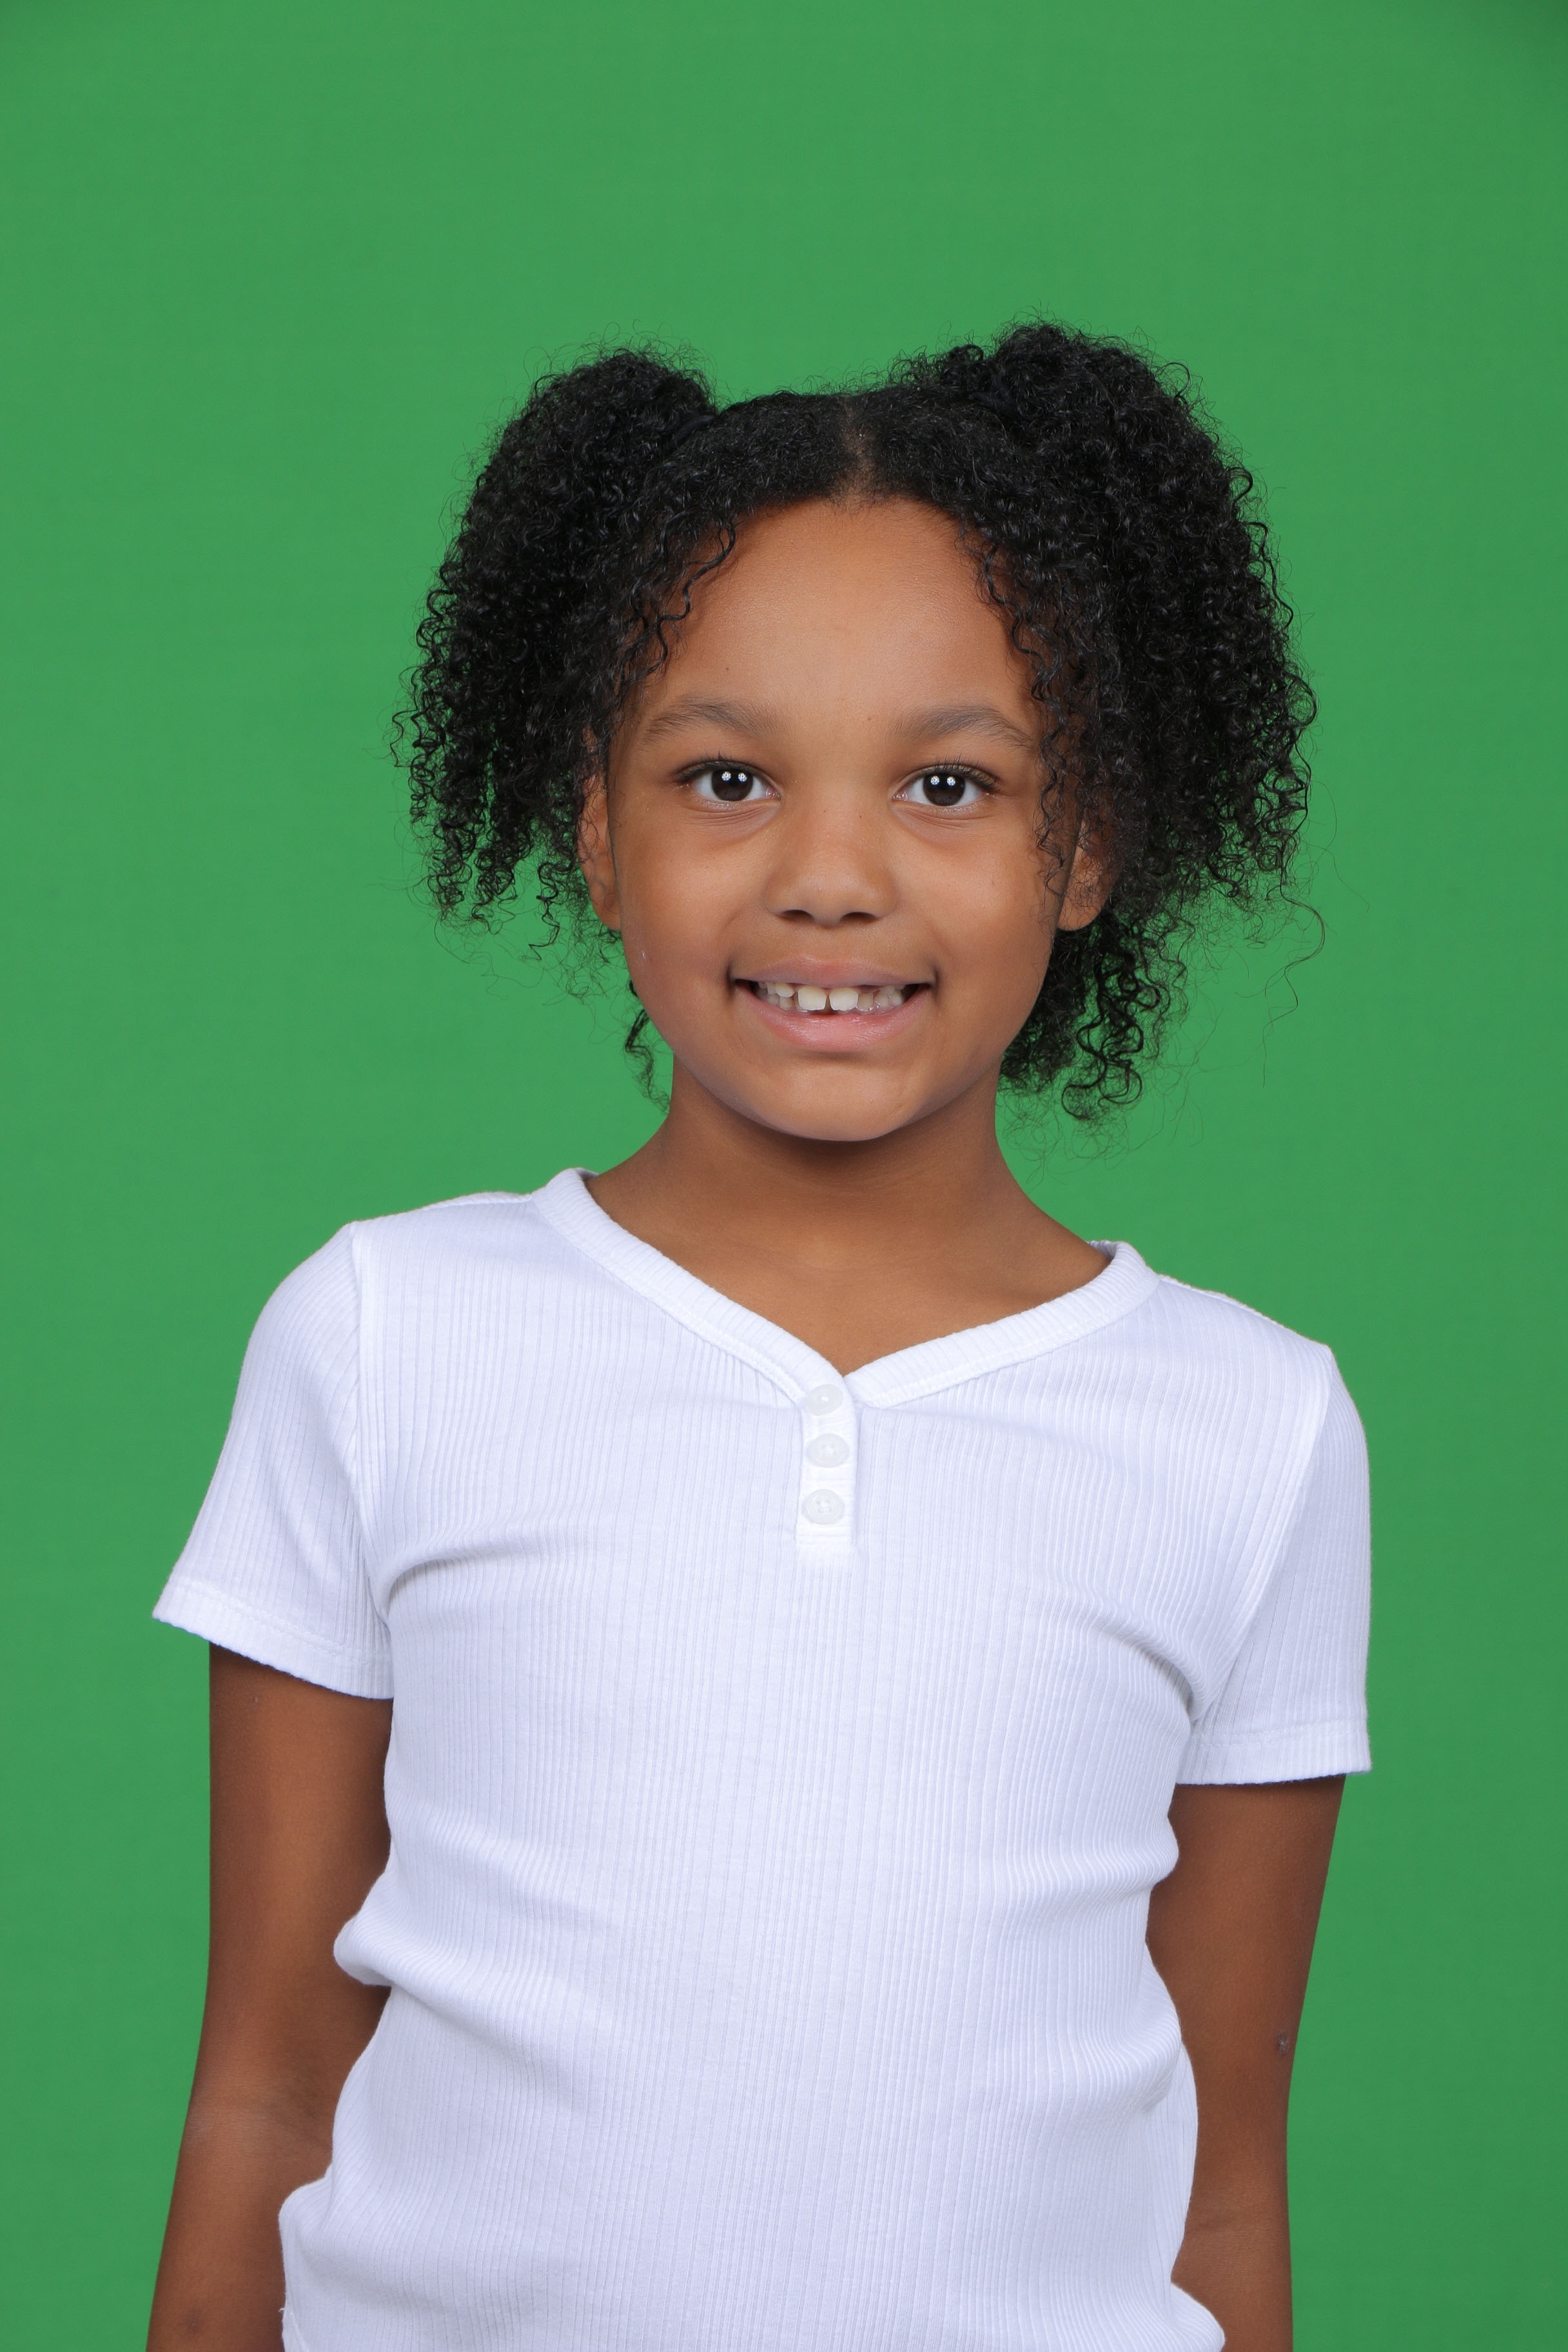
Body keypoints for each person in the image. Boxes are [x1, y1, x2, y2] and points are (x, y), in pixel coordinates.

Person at [146, 325, 1370, 2352]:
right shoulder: (384, 1337)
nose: (829, 878)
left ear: (1084, 847)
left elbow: (1223, 2183)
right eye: (728, 779)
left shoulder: (1250, 1428)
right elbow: (268, 2086)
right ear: (595, 831)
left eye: (948, 784)